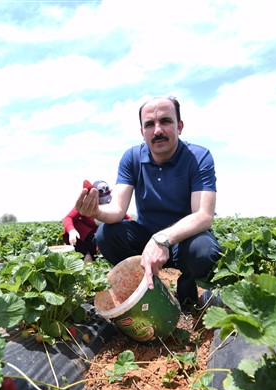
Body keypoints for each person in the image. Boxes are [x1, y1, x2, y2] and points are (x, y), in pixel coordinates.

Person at [76, 96, 222, 309]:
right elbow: (117, 210)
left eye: (165, 121)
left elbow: (203, 215)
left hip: (184, 240)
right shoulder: (132, 158)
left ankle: (188, 291)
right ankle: (145, 290)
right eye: (149, 124)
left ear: (179, 126)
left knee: (204, 249)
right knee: (106, 235)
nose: (157, 130)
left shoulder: (198, 157)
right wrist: (95, 211)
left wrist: (163, 239)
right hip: (145, 239)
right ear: (142, 132)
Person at [63, 180, 130, 262]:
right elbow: (68, 218)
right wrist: (71, 230)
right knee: (77, 226)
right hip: (87, 238)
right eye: (101, 201)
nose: (104, 203)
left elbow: (126, 218)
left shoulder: (113, 206)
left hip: (104, 236)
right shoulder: (86, 204)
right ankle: (85, 254)